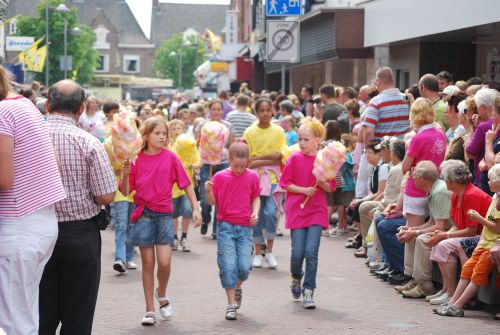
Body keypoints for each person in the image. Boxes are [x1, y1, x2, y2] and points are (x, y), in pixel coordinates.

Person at [39, 80, 116, 335]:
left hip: (36, 231)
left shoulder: (30, 139)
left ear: (49, 105)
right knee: (78, 317)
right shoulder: (90, 143)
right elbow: (105, 195)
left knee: (40, 313)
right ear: (82, 108)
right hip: (80, 234)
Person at [0, 67, 66, 335]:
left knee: (12, 320)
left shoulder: (2, 113)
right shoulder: (24, 105)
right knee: (23, 315)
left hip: (17, 226)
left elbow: (4, 178)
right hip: (41, 221)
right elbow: (55, 162)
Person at [120, 117, 202, 326]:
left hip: (165, 215)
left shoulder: (171, 157)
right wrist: (125, 173)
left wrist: (195, 207)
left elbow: (186, 183)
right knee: (148, 264)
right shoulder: (136, 159)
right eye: (157, 133)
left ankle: (162, 293)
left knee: (164, 263)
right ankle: (149, 310)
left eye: (164, 133)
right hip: (145, 215)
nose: (162, 136)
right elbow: (126, 191)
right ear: (145, 136)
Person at [279, 117, 336, 309]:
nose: (301, 143)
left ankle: (309, 290)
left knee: (311, 252)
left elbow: (331, 188)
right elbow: (284, 183)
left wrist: (320, 181)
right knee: (297, 253)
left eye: (305, 139)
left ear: (317, 140)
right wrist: (303, 190)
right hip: (297, 209)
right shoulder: (294, 158)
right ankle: (296, 277)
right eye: (299, 139)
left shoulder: (325, 159)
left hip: (317, 211)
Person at [205, 141, 261, 320]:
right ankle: (230, 305)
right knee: (228, 265)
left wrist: (255, 213)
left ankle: (238, 287)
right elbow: (213, 202)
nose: (239, 169)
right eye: (236, 165)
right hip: (225, 227)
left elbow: (256, 198)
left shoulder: (252, 177)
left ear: (248, 162)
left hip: (244, 227)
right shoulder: (220, 177)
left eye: (243, 166)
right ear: (229, 159)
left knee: (244, 267)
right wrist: (208, 191)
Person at [436, 164, 500, 317]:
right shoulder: (495, 197)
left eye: (491, 179)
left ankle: (457, 306)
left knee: (477, 274)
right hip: (484, 243)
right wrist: (481, 242)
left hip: (492, 245)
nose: (487, 182)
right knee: (467, 270)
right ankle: (452, 302)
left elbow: (496, 228)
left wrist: (478, 218)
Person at [426, 160, 491, 306]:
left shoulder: (471, 195)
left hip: (483, 236)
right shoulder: (455, 195)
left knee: (443, 244)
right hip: (471, 234)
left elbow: (471, 231)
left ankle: (452, 293)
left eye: (445, 178)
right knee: (439, 244)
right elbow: (456, 225)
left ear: (453, 181)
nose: (444, 181)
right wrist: (441, 234)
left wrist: (445, 235)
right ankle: (447, 289)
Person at [395, 161, 453, 299]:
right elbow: (431, 223)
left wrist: (414, 232)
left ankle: (426, 285)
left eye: (413, 175)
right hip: (444, 229)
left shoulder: (439, 192)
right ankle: (415, 279)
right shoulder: (433, 189)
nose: (412, 177)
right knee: (412, 235)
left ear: (422, 178)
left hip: (450, 231)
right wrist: (411, 229)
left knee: (421, 239)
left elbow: (440, 226)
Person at [243, 98, 287, 268]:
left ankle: (269, 251)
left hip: (274, 178)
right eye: (262, 110)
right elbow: (248, 161)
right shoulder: (249, 132)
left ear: (272, 111)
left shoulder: (278, 131)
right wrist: (268, 158)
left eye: (268, 110)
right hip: (254, 179)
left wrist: (258, 159)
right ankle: (258, 252)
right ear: (256, 112)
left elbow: (279, 156)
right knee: (256, 216)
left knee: (271, 213)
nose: (266, 113)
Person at [402, 98, 446, 234]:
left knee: (411, 235)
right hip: (434, 187)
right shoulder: (441, 135)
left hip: (416, 189)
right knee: (426, 233)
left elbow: (404, 168)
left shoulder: (418, 138)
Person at [199, 100, 235, 238]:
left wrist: (232, 162)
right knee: (205, 198)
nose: (216, 112)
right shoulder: (203, 125)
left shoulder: (228, 126)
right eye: (213, 109)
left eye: (218, 109)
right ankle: (205, 218)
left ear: (222, 110)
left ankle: (216, 229)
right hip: (206, 164)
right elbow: (198, 143)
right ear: (209, 110)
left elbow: (231, 145)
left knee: (220, 197)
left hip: (223, 163)